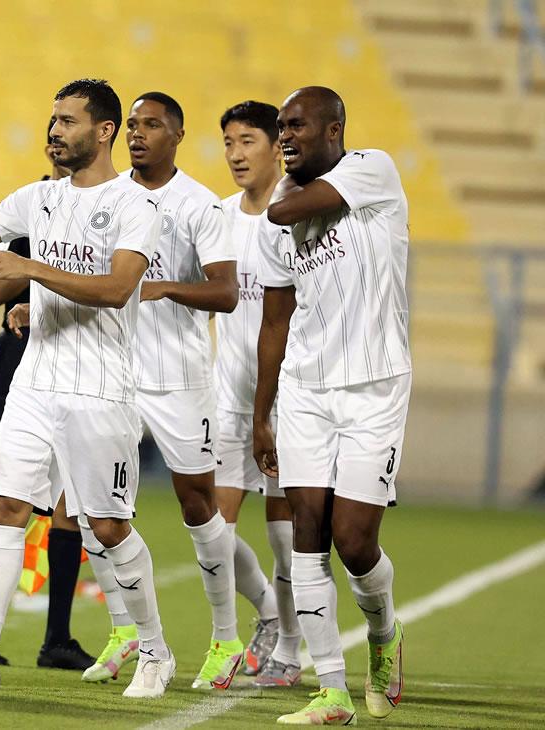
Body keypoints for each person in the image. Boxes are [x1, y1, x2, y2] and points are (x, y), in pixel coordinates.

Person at [0, 79, 173, 699]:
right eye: (52, 119)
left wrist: (28, 269)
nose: (54, 130)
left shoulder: (136, 204)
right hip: (36, 382)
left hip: (101, 389)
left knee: (106, 525)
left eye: (68, 121)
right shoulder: (39, 197)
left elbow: (115, 288)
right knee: (5, 507)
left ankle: (155, 653)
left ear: (103, 132)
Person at [255, 86, 408, 725]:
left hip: (375, 386)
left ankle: (384, 632)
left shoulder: (372, 170)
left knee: (353, 539)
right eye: (280, 127)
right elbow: (275, 322)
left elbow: (288, 212)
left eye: (297, 125)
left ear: (335, 128)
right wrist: (261, 413)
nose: (284, 136)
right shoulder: (282, 207)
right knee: (306, 535)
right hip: (305, 392)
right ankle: (332, 692)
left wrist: (277, 203)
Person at [0, 133, 93, 672]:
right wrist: (16, 282)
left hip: (77, 366)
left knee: (70, 502)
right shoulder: (33, 207)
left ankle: (57, 637)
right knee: (0, 495)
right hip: (18, 365)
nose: (59, 148)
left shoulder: (108, 209)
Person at [117, 92, 243, 690]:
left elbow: (226, 293)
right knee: (99, 506)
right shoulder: (109, 195)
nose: (138, 136)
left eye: (152, 126)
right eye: (133, 126)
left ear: (177, 135)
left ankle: (225, 637)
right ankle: (134, 638)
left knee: (198, 505)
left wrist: (165, 288)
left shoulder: (200, 205)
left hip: (179, 379)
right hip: (114, 372)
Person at [214, 100, 303, 687]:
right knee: (213, 533)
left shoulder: (297, 214)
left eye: (247, 140)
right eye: (227, 143)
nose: (236, 154)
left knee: (283, 531)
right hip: (227, 394)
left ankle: (292, 645)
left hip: (286, 398)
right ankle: (268, 616)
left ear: (276, 146)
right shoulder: (218, 216)